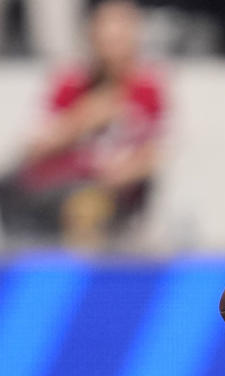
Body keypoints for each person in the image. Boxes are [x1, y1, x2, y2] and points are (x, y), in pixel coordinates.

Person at [0, 0, 164, 248]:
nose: (114, 36)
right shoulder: (70, 83)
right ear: (92, 32)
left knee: (85, 204)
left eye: (122, 28)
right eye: (107, 27)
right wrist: (84, 119)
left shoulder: (147, 88)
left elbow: (154, 153)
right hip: (56, 184)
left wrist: (112, 175)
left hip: (107, 192)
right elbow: (34, 146)